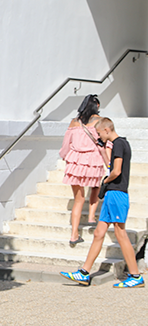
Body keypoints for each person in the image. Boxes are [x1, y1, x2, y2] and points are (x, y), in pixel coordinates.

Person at [61, 117, 144, 288]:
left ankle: (135, 276)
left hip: (117, 194)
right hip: (112, 195)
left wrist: (105, 182)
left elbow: (116, 171)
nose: (99, 136)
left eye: (100, 133)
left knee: (120, 234)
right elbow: (110, 164)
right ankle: (84, 273)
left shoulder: (119, 144)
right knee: (99, 233)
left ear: (107, 130)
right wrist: (103, 149)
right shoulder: (118, 145)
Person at [59, 95, 108, 245]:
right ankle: (92, 216)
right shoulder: (100, 121)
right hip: (93, 160)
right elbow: (105, 141)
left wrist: (64, 156)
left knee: (78, 200)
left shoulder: (74, 122)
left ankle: (74, 235)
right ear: (97, 106)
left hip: (75, 161)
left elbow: (66, 144)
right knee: (95, 186)